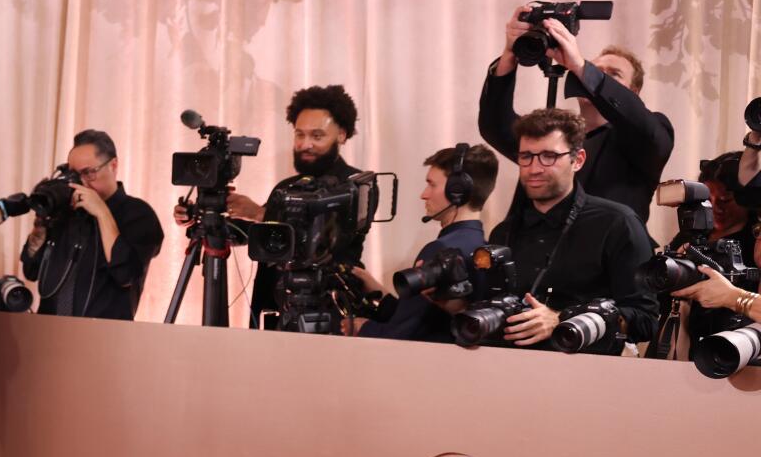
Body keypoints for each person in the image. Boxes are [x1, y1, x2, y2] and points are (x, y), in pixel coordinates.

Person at [478, 7, 672, 224]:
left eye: (613, 74)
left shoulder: (647, 135)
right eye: (597, 69)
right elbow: (495, 125)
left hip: (607, 253)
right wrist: (510, 55)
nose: (595, 77)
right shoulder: (557, 136)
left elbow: (648, 130)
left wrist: (582, 67)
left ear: (633, 92)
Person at [484, 108, 656, 352]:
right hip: (511, 368)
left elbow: (645, 320)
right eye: (526, 156)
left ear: (578, 160)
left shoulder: (618, 223)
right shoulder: (504, 232)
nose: (534, 169)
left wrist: (561, 319)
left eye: (548, 156)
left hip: (586, 375)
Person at [221, 84, 364, 329]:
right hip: (275, 306)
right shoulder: (288, 186)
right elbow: (259, 234)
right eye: (300, 134)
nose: (305, 144)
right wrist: (211, 218)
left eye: (317, 136)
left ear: (341, 134)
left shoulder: (356, 185)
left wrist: (258, 213)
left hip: (329, 310)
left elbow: (325, 242)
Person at [353, 144, 500, 344]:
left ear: (458, 191)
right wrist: (376, 288)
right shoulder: (483, 246)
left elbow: (402, 334)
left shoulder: (441, 251)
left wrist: (360, 328)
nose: (424, 194)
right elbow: (427, 316)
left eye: (432, 184)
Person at [18, 128, 165, 319]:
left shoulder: (138, 214)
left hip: (104, 338)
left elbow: (126, 274)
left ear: (113, 165)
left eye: (88, 172)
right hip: (50, 334)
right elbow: (31, 271)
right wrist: (40, 227)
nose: (81, 182)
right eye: (73, 174)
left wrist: (102, 213)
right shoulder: (66, 213)